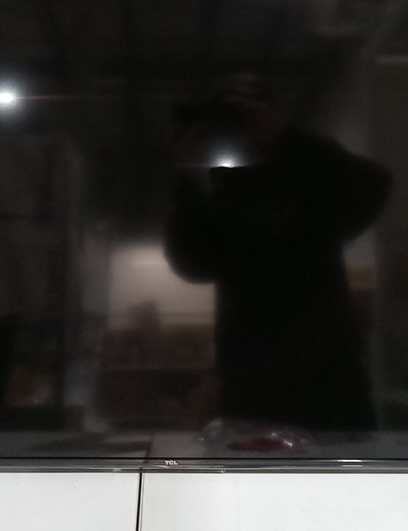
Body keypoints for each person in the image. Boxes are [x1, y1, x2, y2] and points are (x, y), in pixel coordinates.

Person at [164, 75, 390, 430]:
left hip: (328, 380)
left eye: (249, 109)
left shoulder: (311, 178)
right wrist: (188, 178)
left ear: (272, 113)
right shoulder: (225, 193)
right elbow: (193, 264)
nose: (242, 123)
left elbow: (374, 185)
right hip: (253, 387)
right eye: (229, 115)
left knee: (340, 463)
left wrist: (288, 137)